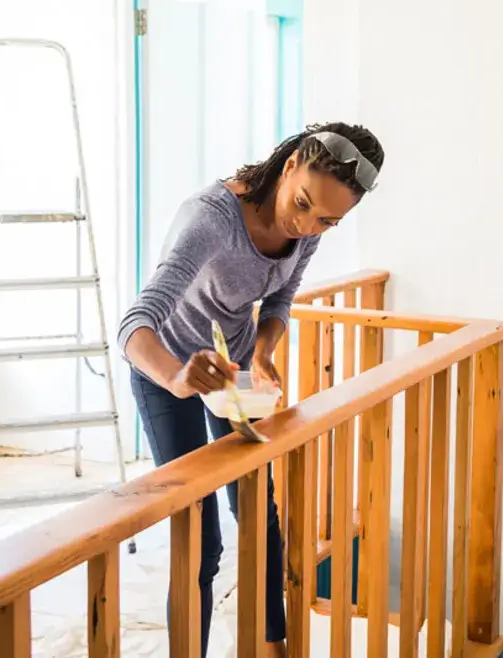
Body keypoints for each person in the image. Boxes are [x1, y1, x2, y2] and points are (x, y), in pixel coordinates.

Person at [117, 121, 384, 657]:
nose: (307, 225)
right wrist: (174, 374)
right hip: (169, 367)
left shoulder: (305, 230)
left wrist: (263, 351)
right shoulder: (209, 221)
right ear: (289, 167)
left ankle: (269, 645)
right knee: (200, 539)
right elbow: (133, 324)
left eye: (327, 221)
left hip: (234, 368)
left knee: (259, 512)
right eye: (303, 204)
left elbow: (280, 299)